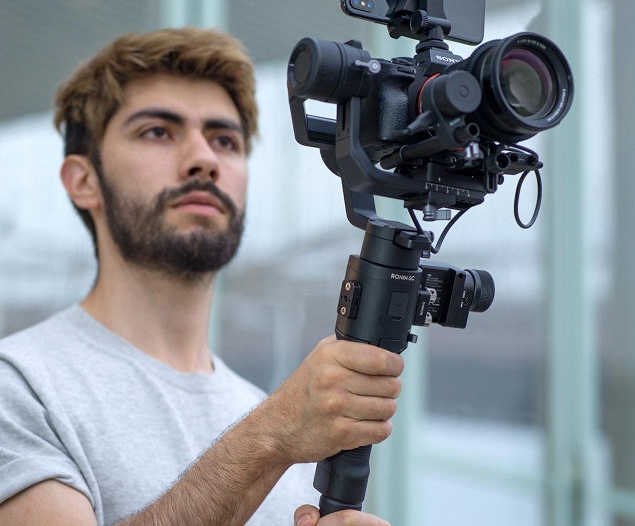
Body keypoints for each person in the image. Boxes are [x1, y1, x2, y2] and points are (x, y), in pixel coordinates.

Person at [0, 28, 402, 526]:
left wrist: (277, 431)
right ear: (84, 181)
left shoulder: (294, 428)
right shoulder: (19, 388)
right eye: (157, 132)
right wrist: (270, 436)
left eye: (224, 141)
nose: (204, 160)